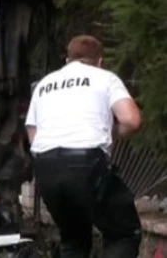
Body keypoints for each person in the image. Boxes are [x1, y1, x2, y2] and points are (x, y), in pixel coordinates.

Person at [25, 35, 143, 258]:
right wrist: (112, 133)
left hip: (46, 170)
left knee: (73, 240)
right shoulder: (105, 78)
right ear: (100, 62)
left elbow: (33, 134)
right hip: (86, 165)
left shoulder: (44, 84)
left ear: (67, 60)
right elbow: (131, 120)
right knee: (124, 233)